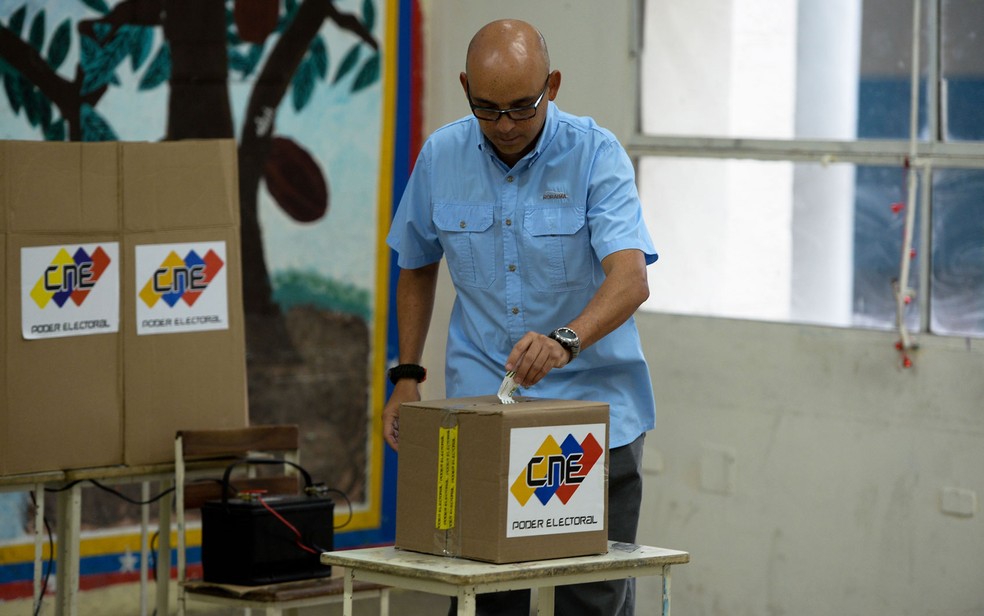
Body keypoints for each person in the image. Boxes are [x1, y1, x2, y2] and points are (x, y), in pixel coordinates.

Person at [382, 18, 658, 616]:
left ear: (552, 86)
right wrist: (406, 375)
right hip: (484, 414)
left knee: (592, 598)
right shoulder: (442, 156)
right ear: (464, 89)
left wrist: (566, 340)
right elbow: (416, 264)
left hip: (592, 422)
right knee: (482, 595)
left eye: (521, 108)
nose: (504, 125)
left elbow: (631, 278)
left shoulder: (595, 154)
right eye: (486, 109)